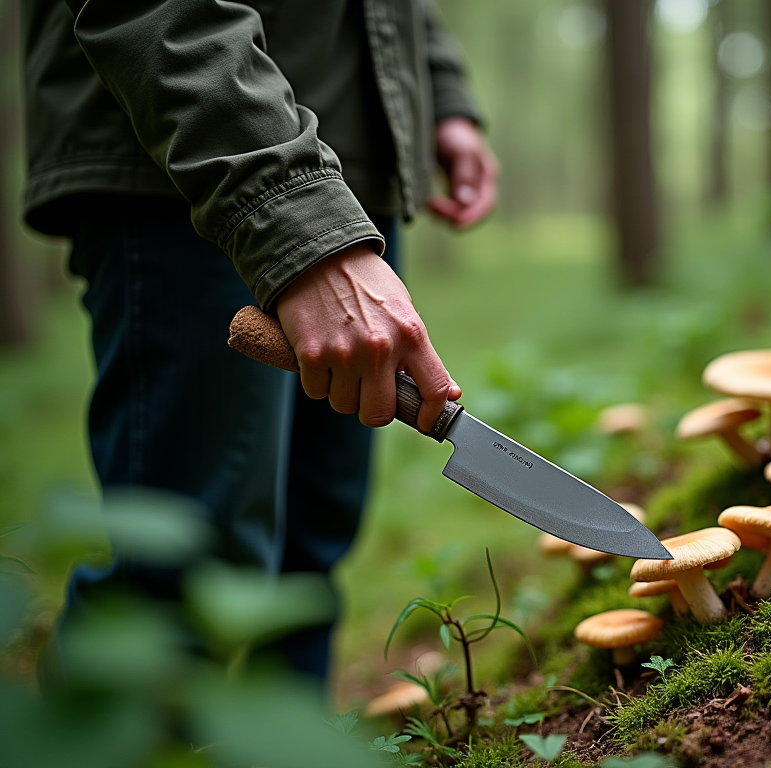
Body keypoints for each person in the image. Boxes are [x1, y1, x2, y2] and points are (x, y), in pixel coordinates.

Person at [21, 0, 498, 685]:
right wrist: (298, 220)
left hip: (353, 164)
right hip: (187, 160)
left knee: (311, 546)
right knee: (183, 569)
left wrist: (438, 90)